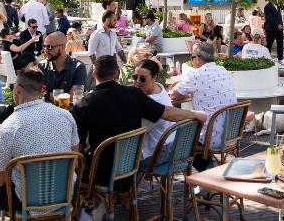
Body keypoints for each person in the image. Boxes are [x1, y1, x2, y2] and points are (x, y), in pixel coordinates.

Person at [73, 55, 206, 216]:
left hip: (102, 171)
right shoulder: (134, 94)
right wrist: (194, 113)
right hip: (130, 165)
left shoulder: (83, 105)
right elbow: (167, 112)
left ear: (94, 74)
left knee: (77, 165)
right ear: (116, 74)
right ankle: (118, 199)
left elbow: (78, 147)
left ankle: (91, 209)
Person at [0, 67, 79, 220]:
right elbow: (75, 160)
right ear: (41, 90)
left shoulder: (9, 127)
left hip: (26, 199)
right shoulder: (66, 115)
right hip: (64, 194)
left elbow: (1, 180)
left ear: (18, 89)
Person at [170, 41, 238, 149]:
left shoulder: (195, 74)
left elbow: (174, 95)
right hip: (231, 135)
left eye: (192, 57)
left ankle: (194, 162)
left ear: (197, 58)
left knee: (172, 133)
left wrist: (176, 85)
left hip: (210, 138)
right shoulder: (223, 70)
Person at [131, 58, 177, 162]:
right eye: (135, 77)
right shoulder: (159, 88)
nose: (137, 82)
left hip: (159, 152)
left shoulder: (153, 101)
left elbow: (136, 130)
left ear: (154, 78)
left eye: (142, 79)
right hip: (170, 144)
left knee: (122, 162)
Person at [38, 31, 90, 96]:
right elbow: (36, 92)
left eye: (49, 47)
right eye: (44, 46)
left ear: (62, 47)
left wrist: (46, 95)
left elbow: (74, 96)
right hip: (44, 106)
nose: (45, 50)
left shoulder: (78, 67)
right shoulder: (42, 66)